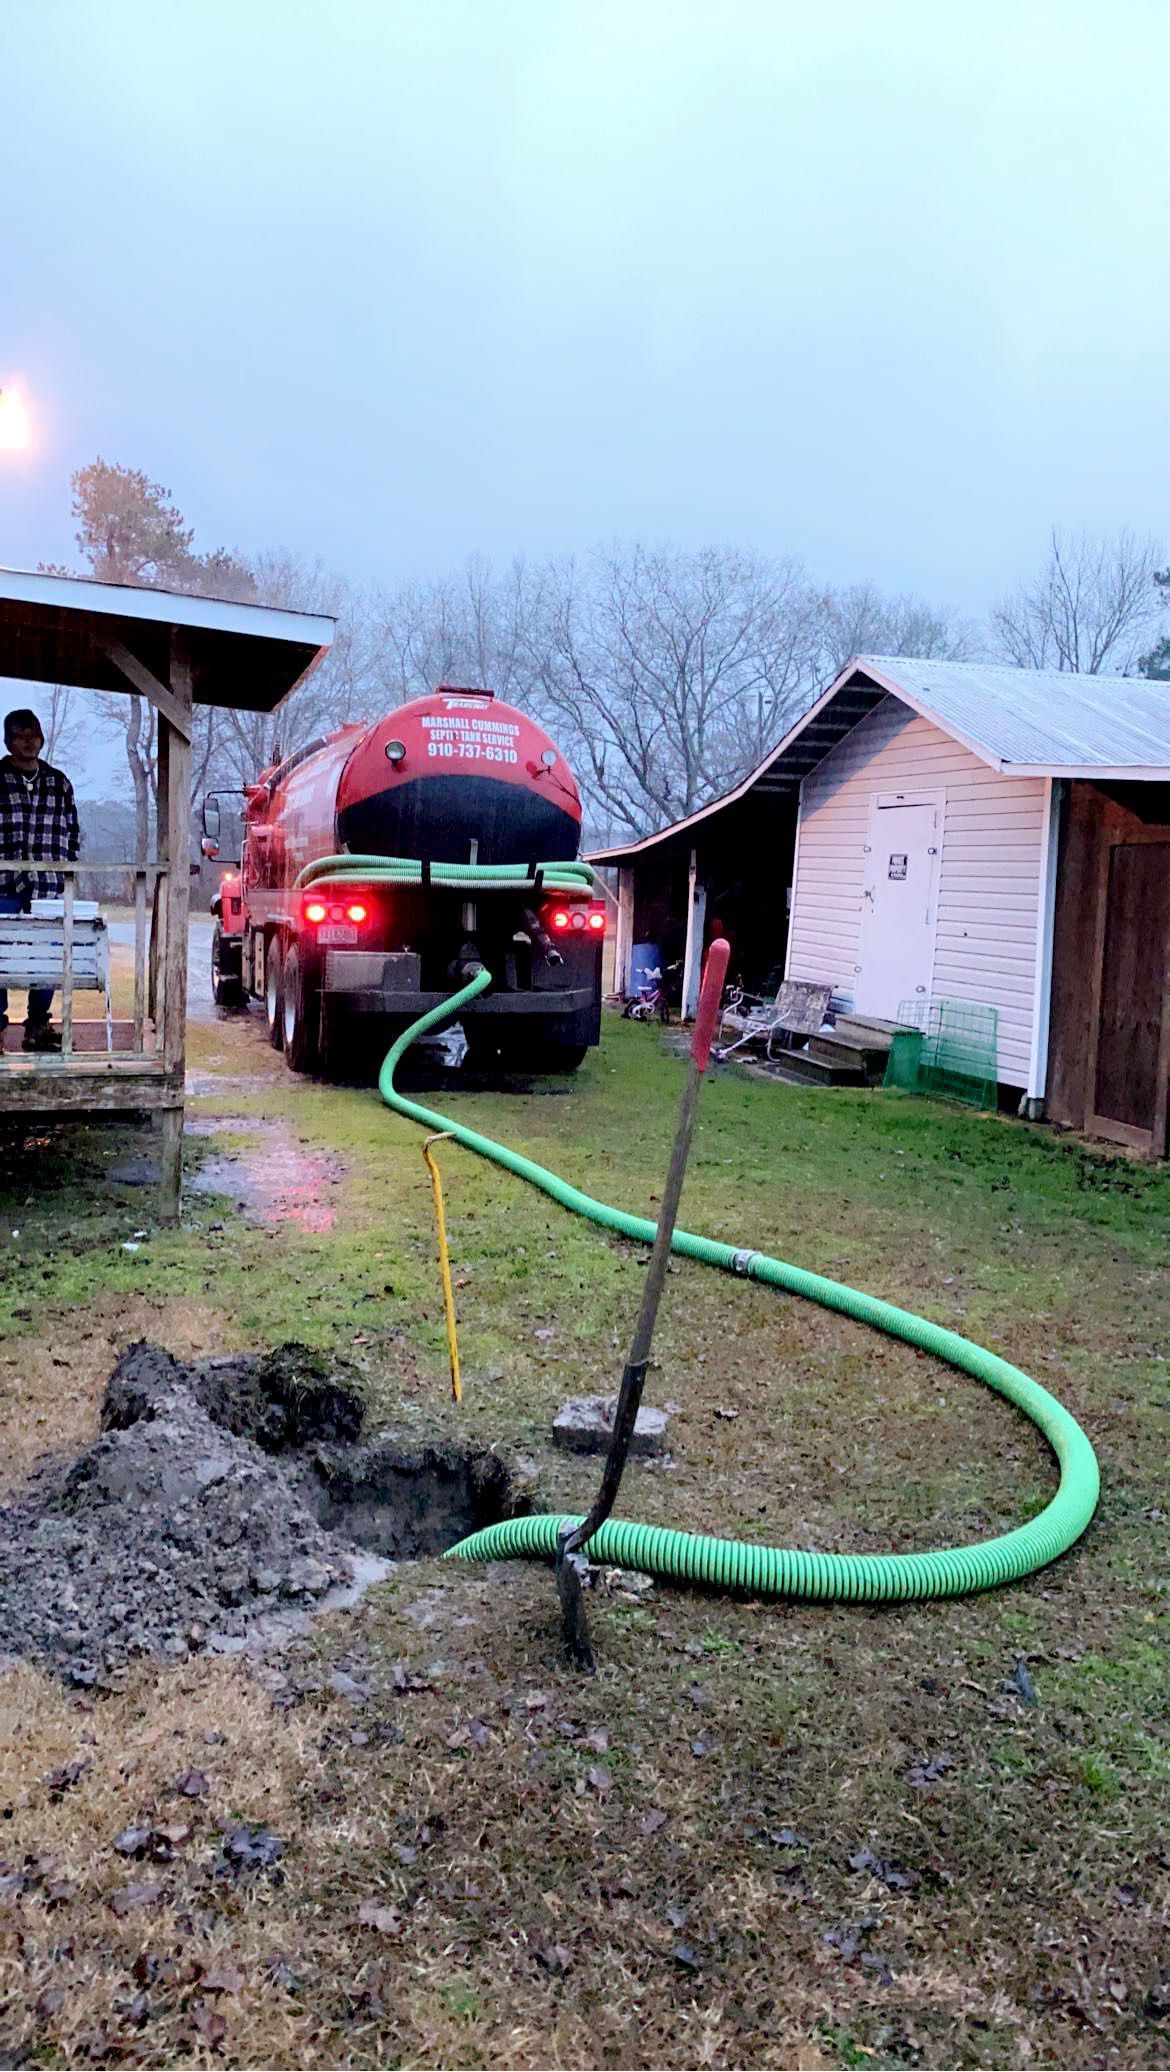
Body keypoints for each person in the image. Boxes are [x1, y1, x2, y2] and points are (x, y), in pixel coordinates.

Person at [0, 709, 81, 1050]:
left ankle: (37, 1027)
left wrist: (68, 872)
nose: (29, 740)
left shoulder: (58, 783)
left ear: (42, 738)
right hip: (4, 885)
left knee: (48, 957)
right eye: (20, 734)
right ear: (8, 741)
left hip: (48, 886)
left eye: (33, 733)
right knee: (0, 954)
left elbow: (73, 832)